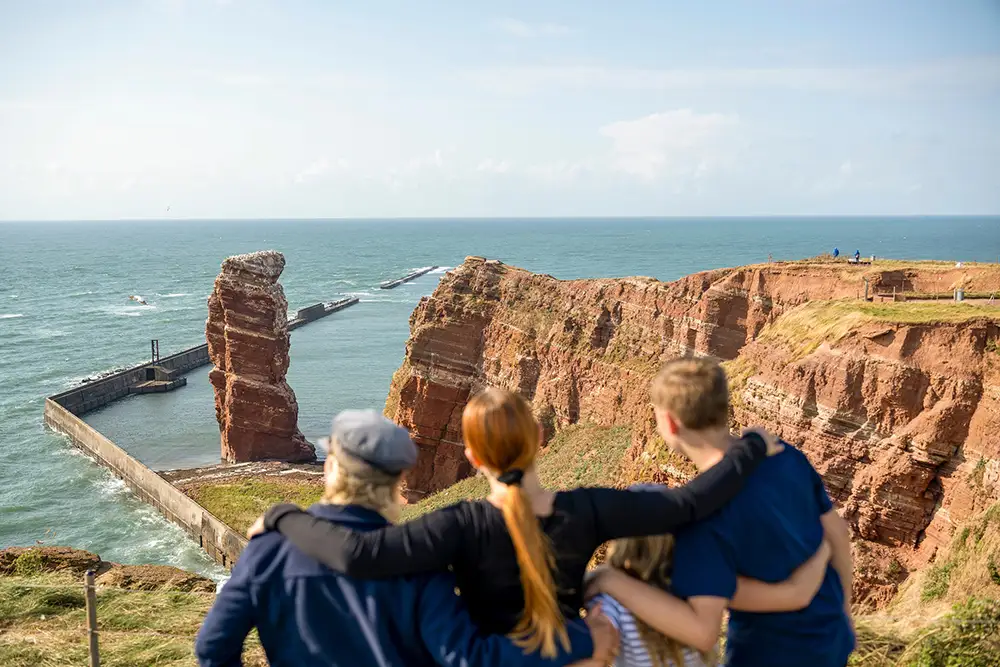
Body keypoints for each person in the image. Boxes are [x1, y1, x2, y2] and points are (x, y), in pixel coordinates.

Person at [250, 388, 789, 659]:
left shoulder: (460, 524)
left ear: (471, 455)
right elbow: (691, 504)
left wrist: (283, 516)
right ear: (537, 442)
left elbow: (357, 555)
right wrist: (751, 447)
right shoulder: (588, 510)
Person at [195, 409, 618, 667]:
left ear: (331, 470)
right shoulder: (420, 563)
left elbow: (213, 647)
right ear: (398, 482)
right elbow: (473, 659)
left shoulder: (269, 550)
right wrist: (583, 636)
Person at [586, 359, 854, 667]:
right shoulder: (784, 456)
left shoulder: (702, 517)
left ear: (670, 422)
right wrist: (843, 610)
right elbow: (836, 531)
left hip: (768, 654)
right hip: (831, 638)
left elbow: (705, 623)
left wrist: (607, 579)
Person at [589, 523, 832, 667]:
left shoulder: (610, 602)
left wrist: (594, 581)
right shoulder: (705, 585)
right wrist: (824, 545)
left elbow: (594, 650)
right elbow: (796, 594)